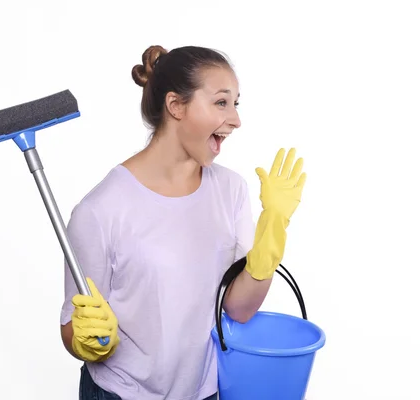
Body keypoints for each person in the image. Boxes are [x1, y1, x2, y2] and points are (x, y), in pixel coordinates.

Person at [59, 45, 307, 400]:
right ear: (175, 106)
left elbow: (238, 308)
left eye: (236, 104)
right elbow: (71, 326)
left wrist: (272, 232)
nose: (236, 119)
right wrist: (84, 342)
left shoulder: (230, 190)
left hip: (202, 392)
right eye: (221, 103)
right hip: (121, 393)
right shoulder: (100, 211)